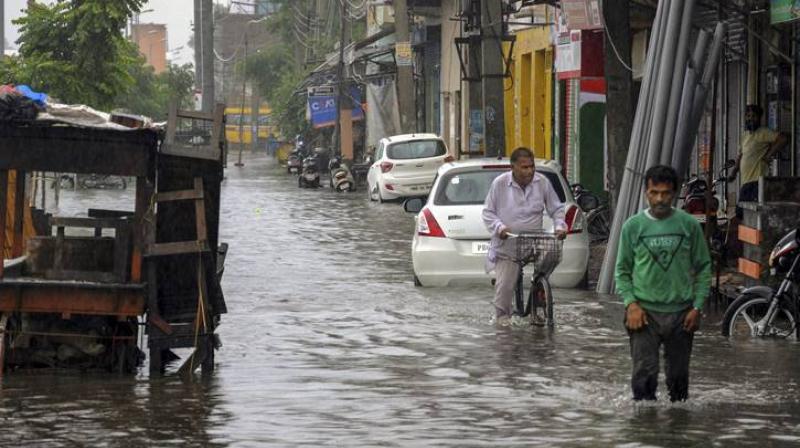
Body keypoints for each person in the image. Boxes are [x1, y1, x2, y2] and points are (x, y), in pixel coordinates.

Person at [615, 165, 712, 402]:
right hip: (644, 314)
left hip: (682, 314)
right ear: (646, 193)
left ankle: (676, 433)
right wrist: (631, 305)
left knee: (679, 383)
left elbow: (703, 267)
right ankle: (645, 431)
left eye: (666, 193)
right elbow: (622, 271)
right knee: (643, 379)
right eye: (654, 193)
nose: (659, 199)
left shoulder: (688, 225)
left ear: (675, 193)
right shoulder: (632, 227)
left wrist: (697, 307)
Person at [482, 147, 567, 326]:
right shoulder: (499, 184)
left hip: (534, 241)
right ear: (513, 167)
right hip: (509, 244)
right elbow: (488, 213)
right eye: (524, 167)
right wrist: (500, 228)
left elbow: (557, 209)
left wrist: (560, 226)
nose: (529, 171)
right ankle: (502, 324)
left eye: (531, 166)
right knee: (504, 289)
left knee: (553, 249)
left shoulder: (542, 182)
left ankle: (539, 284)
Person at [730, 105, 788, 218]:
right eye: (748, 116)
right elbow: (741, 155)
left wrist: (768, 155)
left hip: (757, 182)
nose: (750, 118)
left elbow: (783, 139)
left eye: (753, 116)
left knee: (748, 214)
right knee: (741, 213)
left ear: (759, 118)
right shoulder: (745, 136)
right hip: (746, 182)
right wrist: (733, 172)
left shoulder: (763, 133)